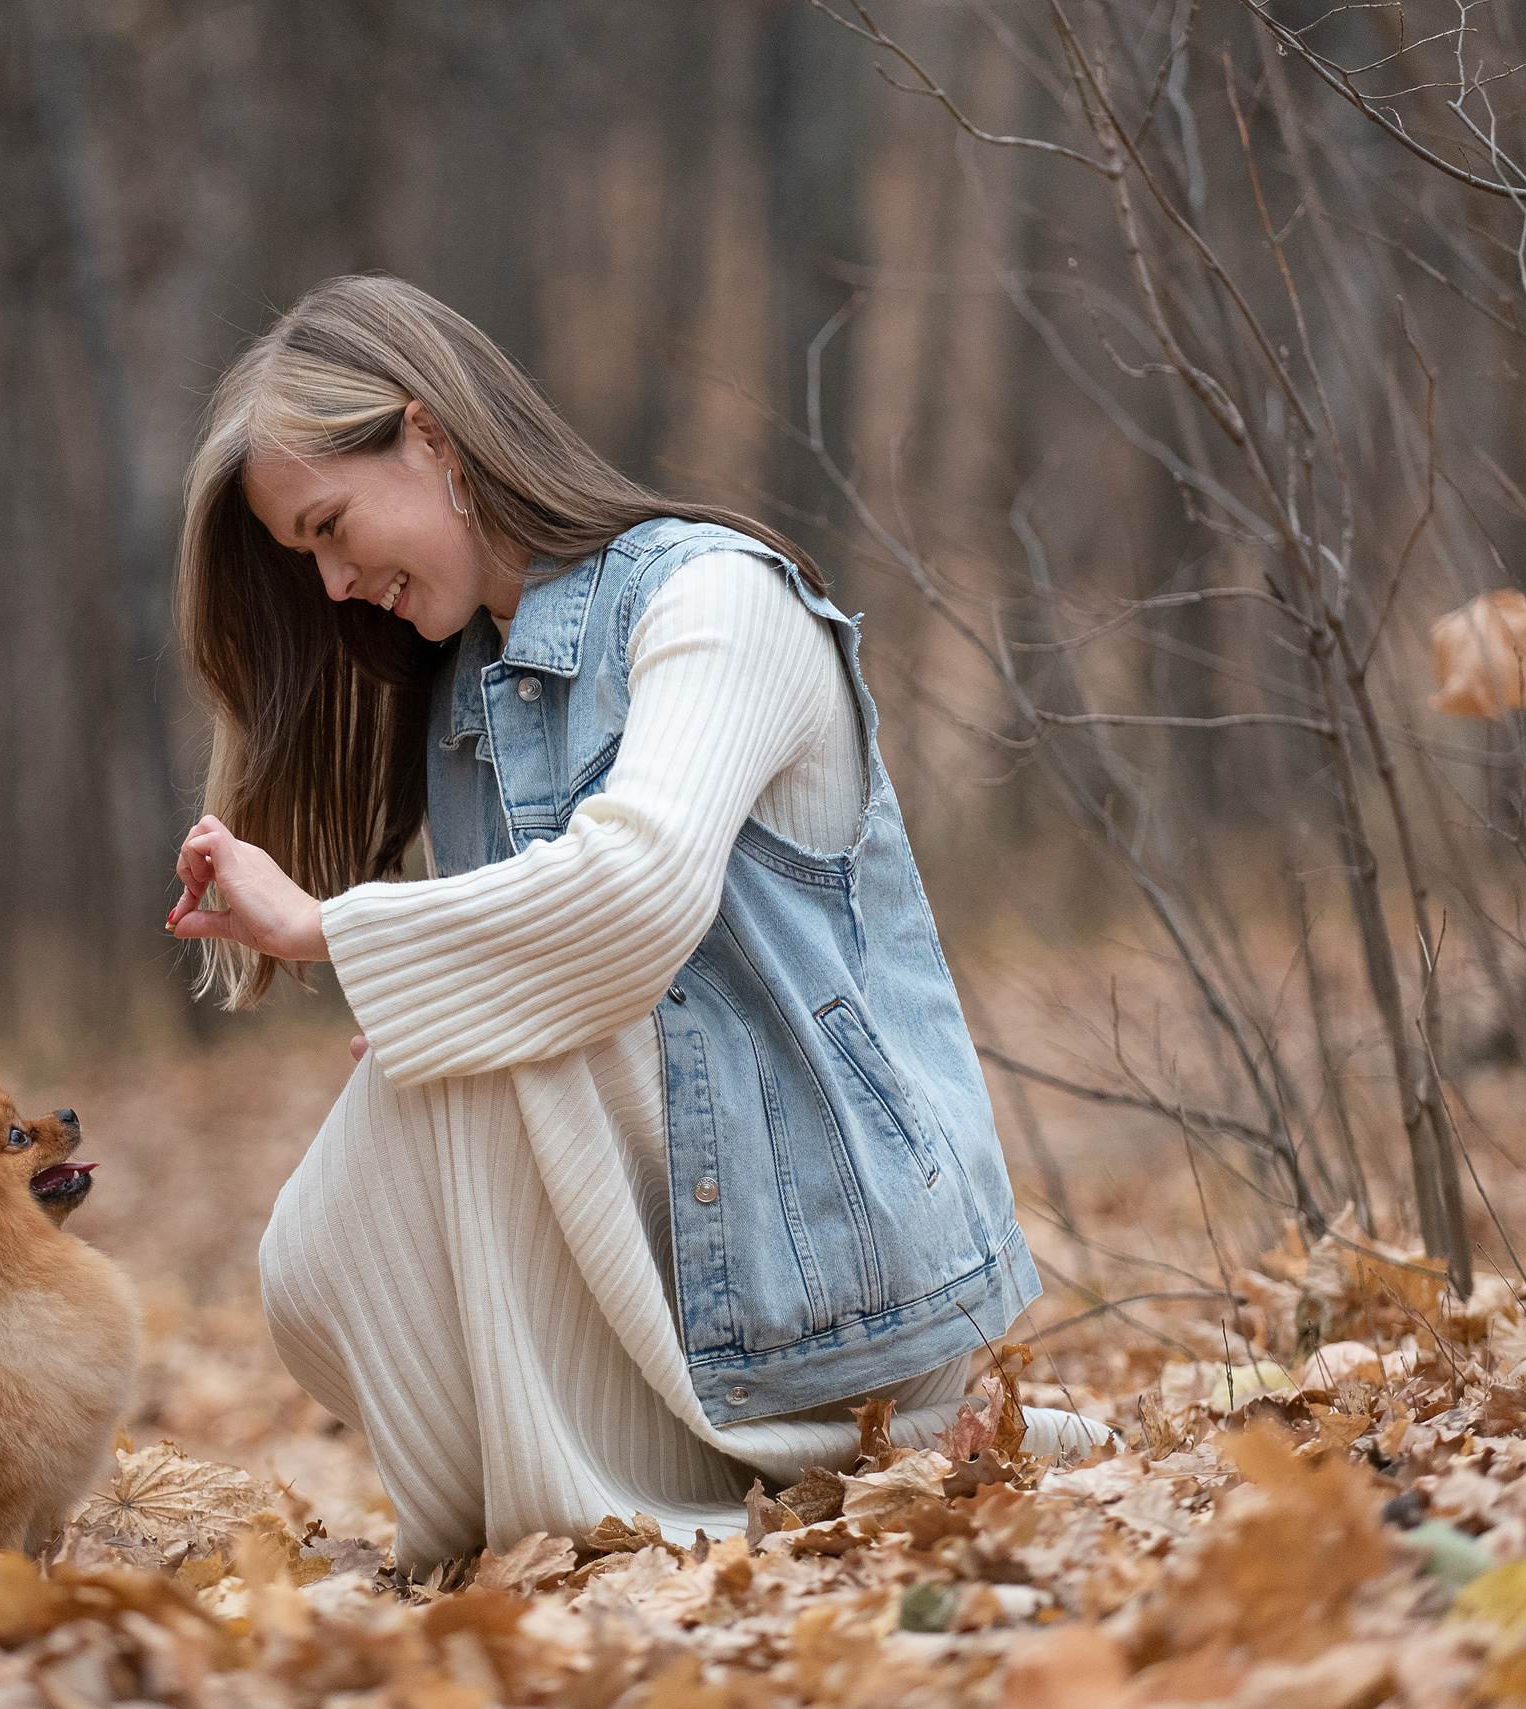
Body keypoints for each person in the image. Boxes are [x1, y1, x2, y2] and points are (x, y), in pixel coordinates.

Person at [165, 275, 1106, 1564]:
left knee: (470, 1070)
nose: (330, 585)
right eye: (305, 557)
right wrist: (449, 1006)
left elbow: (632, 895)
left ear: (430, 437)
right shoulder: (466, 699)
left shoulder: (714, 602)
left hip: (836, 1278)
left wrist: (342, 932)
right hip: (685, 1261)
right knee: (320, 1252)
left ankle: (620, 1512)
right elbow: (549, 985)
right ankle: (567, 1519)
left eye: (331, 527)